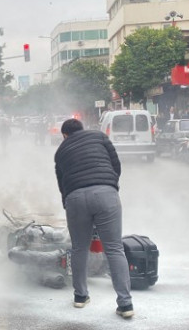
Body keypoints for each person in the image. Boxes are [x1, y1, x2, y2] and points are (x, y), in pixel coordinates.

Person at [54, 118, 134, 319]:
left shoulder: (61, 151)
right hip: (106, 194)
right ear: (82, 129)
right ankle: (125, 304)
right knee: (114, 248)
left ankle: (80, 297)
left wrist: (69, 203)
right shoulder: (100, 136)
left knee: (79, 248)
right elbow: (116, 164)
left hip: (75, 198)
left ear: (64, 135)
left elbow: (61, 183)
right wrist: (110, 186)